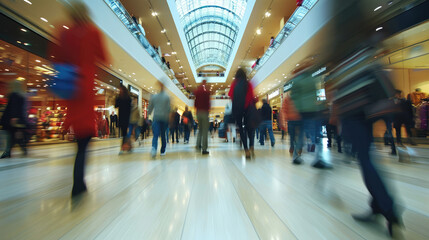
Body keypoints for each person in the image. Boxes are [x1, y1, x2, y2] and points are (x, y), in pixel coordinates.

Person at [52, 1, 107, 197]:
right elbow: (104, 57)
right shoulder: (92, 32)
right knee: (85, 141)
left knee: (80, 140)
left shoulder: (65, 32)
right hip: (85, 88)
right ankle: (78, 183)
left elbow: (56, 58)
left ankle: (79, 182)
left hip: (71, 90)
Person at [228, 68, 256, 159]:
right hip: (248, 109)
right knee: (250, 128)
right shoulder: (249, 84)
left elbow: (231, 96)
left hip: (238, 110)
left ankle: (246, 150)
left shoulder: (234, 84)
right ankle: (251, 145)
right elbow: (251, 96)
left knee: (241, 129)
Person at [0, 80, 28, 158]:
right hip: (19, 118)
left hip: (11, 118)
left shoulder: (13, 95)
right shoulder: (22, 95)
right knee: (15, 135)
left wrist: (13, 117)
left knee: (11, 135)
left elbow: (13, 107)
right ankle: (21, 148)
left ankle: (8, 151)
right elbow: (22, 108)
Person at [148, 82, 170, 158]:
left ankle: (155, 148)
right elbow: (168, 109)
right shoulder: (166, 97)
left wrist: (148, 114)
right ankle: (161, 150)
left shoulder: (155, 97)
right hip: (162, 118)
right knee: (162, 135)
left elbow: (150, 107)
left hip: (157, 118)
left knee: (157, 134)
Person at [281, 93, 303, 164]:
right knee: (299, 135)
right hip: (299, 118)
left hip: (290, 120)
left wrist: (285, 119)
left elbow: (284, 109)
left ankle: (292, 148)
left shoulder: (287, 98)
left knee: (292, 136)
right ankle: (299, 149)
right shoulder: (300, 96)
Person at [194, 80, 210, 154]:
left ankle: (198, 145)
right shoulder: (206, 93)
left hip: (198, 113)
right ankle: (204, 149)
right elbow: (208, 103)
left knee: (200, 129)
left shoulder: (197, 93)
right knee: (205, 131)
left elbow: (195, 104)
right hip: (204, 112)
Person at [115, 85, 132, 153]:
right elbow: (116, 106)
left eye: (120, 90)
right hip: (122, 118)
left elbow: (129, 109)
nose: (120, 91)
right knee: (124, 133)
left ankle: (123, 147)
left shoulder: (127, 98)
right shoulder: (121, 98)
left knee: (124, 133)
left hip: (125, 118)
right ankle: (128, 146)